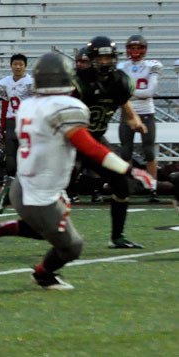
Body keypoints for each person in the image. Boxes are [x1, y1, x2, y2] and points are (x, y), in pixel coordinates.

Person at [0, 53, 155, 290]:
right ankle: (42, 275)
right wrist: (128, 169)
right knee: (72, 246)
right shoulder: (67, 106)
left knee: (44, 229)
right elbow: (86, 145)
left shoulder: (28, 105)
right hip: (40, 193)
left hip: (24, 185)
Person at [72, 35, 149, 248]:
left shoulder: (120, 81)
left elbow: (124, 104)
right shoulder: (79, 82)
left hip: (95, 139)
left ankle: (117, 237)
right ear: (92, 59)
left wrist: (134, 120)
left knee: (121, 184)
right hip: (72, 141)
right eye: (101, 58)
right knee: (62, 190)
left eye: (109, 58)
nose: (105, 63)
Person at [117, 35, 163, 202]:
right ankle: (127, 187)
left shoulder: (153, 65)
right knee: (126, 152)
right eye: (132, 48)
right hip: (128, 113)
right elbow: (119, 91)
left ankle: (153, 188)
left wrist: (128, 93)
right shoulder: (121, 66)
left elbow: (150, 92)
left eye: (139, 48)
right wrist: (131, 95)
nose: (135, 51)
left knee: (149, 152)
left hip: (146, 113)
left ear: (145, 49)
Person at [0, 53, 34, 214]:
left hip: (27, 122)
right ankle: (11, 190)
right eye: (15, 64)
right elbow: (5, 106)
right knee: (11, 159)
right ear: (11, 65)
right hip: (11, 121)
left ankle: (27, 190)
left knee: (27, 156)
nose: (18, 67)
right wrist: (1, 128)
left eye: (21, 64)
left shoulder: (32, 83)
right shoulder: (4, 83)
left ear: (25, 66)